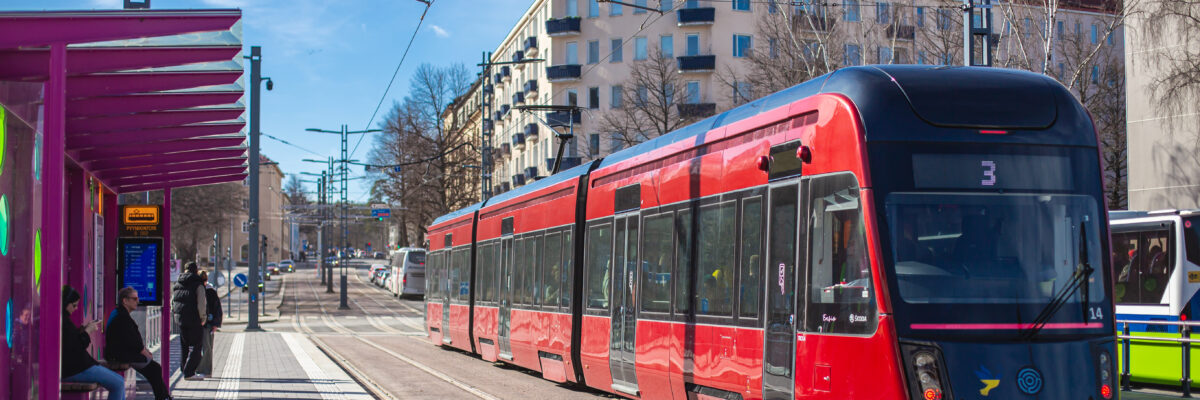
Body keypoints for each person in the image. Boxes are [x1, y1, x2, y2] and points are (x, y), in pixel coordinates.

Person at [106, 287, 171, 400]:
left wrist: (144, 351)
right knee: (155, 368)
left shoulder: (119, 313)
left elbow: (133, 340)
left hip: (119, 352)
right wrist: (145, 353)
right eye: (135, 299)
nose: (138, 301)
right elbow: (134, 342)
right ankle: (163, 397)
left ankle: (164, 397)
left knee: (155, 368)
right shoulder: (122, 317)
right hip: (120, 355)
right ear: (125, 301)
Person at [61, 285, 126, 400]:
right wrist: (87, 332)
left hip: (77, 367)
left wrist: (82, 331)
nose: (76, 308)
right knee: (118, 384)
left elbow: (70, 341)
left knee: (119, 382)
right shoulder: (63, 321)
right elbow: (75, 347)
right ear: (66, 303)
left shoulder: (62, 319)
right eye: (74, 305)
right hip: (75, 369)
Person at [171, 262, 207, 380]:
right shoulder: (198, 284)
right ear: (196, 270)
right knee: (197, 346)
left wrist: (176, 315)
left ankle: (183, 369)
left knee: (184, 346)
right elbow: (201, 303)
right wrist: (203, 318)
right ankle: (189, 372)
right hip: (194, 319)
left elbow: (173, 302)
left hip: (181, 320)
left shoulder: (178, 283)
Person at [196, 271, 223, 377]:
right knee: (207, 347)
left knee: (207, 347)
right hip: (207, 323)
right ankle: (203, 370)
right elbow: (218, 309)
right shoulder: (208, 291)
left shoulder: (209, 291)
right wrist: (216, 323)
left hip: (207, 324)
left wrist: (215, 323)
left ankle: (204, 370)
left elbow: (217, 309)